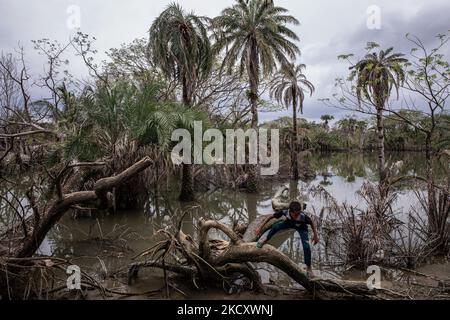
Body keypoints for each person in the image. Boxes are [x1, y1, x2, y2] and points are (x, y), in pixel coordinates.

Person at [255, 201, 319, 278]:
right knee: (275, 227)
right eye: (295, 214)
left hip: (302, 227)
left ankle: (309, 267)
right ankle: (265, 240)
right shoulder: (285, 212)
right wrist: (260, 227)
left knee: (306, 246)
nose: (297, 215)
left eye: (299, 213)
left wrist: (315, 235)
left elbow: (311, 222)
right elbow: (270, 216)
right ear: (290, 211)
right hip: (289, 223)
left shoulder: (303, 216)